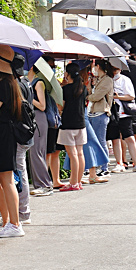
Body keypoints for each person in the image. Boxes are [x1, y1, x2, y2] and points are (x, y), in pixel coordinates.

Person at [0, 46, 27, 237]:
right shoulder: (12, 83)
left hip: (2, 135)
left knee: (6, 180)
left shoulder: (3, 85)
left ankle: (15, 223)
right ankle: (8, 221)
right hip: (4, 134)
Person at [29, 56, 63, 194]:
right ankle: (41, 184)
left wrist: (27, 99)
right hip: (34, 119)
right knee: (34, 152)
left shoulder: (39, 83)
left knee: (38, 152)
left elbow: (42, 106)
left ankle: (44, 184)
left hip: (39, 118)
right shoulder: (30, 83)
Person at [57, 61, 88, 191]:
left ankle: (73, 182)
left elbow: (61, 106)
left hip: (68, 124)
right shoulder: (83, 88)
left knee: (72, 154)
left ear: (67, 74)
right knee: (80, 153)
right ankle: (78, 181)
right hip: (80, 123)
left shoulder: (65, 89)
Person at [84, 60, 114, 184]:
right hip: (92, 112)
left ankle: (104, 167)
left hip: (101, 113)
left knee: (101, 141)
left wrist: (87, 96)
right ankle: (94, 167)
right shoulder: (97, 79)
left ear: (98, 66)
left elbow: (96, 96)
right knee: (91, 141)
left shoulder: (107, 80)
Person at [112, 64, 136, 171]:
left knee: (129, 137)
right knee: (115, 139)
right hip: (112, 112)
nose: (115, 70)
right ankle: (119, 163)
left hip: (124, 112)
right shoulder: (107, 80)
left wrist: (117, 96)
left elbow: (131, 96)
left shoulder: (125, 79)